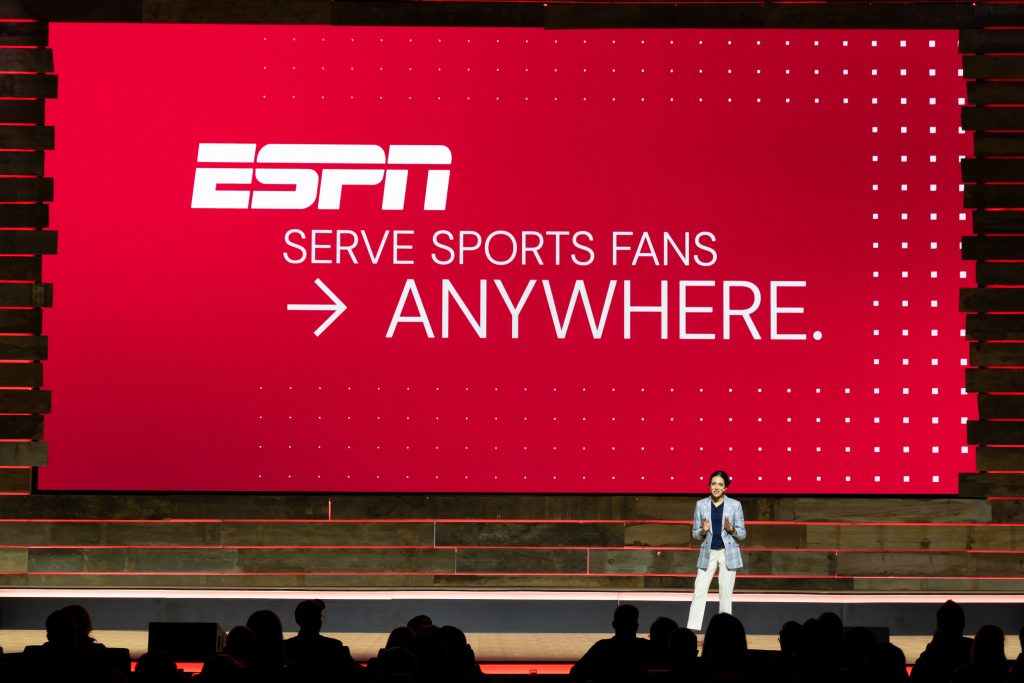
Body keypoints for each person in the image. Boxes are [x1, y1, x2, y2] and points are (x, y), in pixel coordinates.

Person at [686, 470, 746, 632]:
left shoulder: (735, 505)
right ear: (709, 486)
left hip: (728, 553)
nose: (716, 487)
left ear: (725, 488)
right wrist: (703, 530)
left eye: (720, 484)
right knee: (699, 590)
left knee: (725, 593)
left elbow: (742, 534)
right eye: (713, 484)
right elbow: (695, 534)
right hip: (708, 552)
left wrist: (731, 528)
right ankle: (692, 629)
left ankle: (724, 630)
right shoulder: (701, 505)